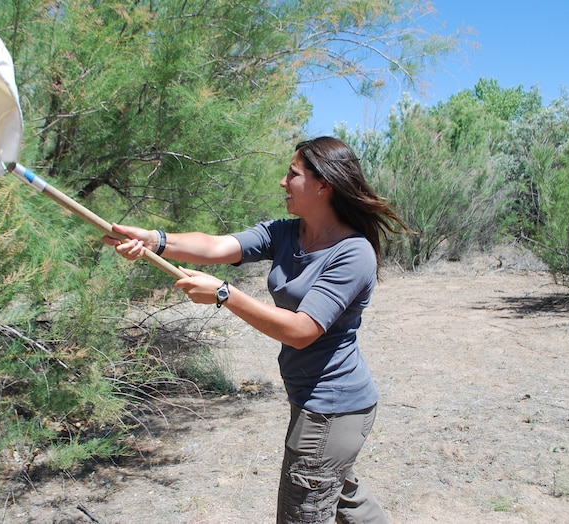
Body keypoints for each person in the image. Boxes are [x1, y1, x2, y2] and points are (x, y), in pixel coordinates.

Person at [103, 136, 410, 523]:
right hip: (317, 402)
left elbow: (302, 330)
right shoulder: (286, 233)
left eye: (292, 174)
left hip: (332, 408)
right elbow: (216, 246)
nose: (283, 182)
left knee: (304, 511)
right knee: (345, 497)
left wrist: (224, 295)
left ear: (323, 185)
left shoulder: (353, 252)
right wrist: (156, 240)